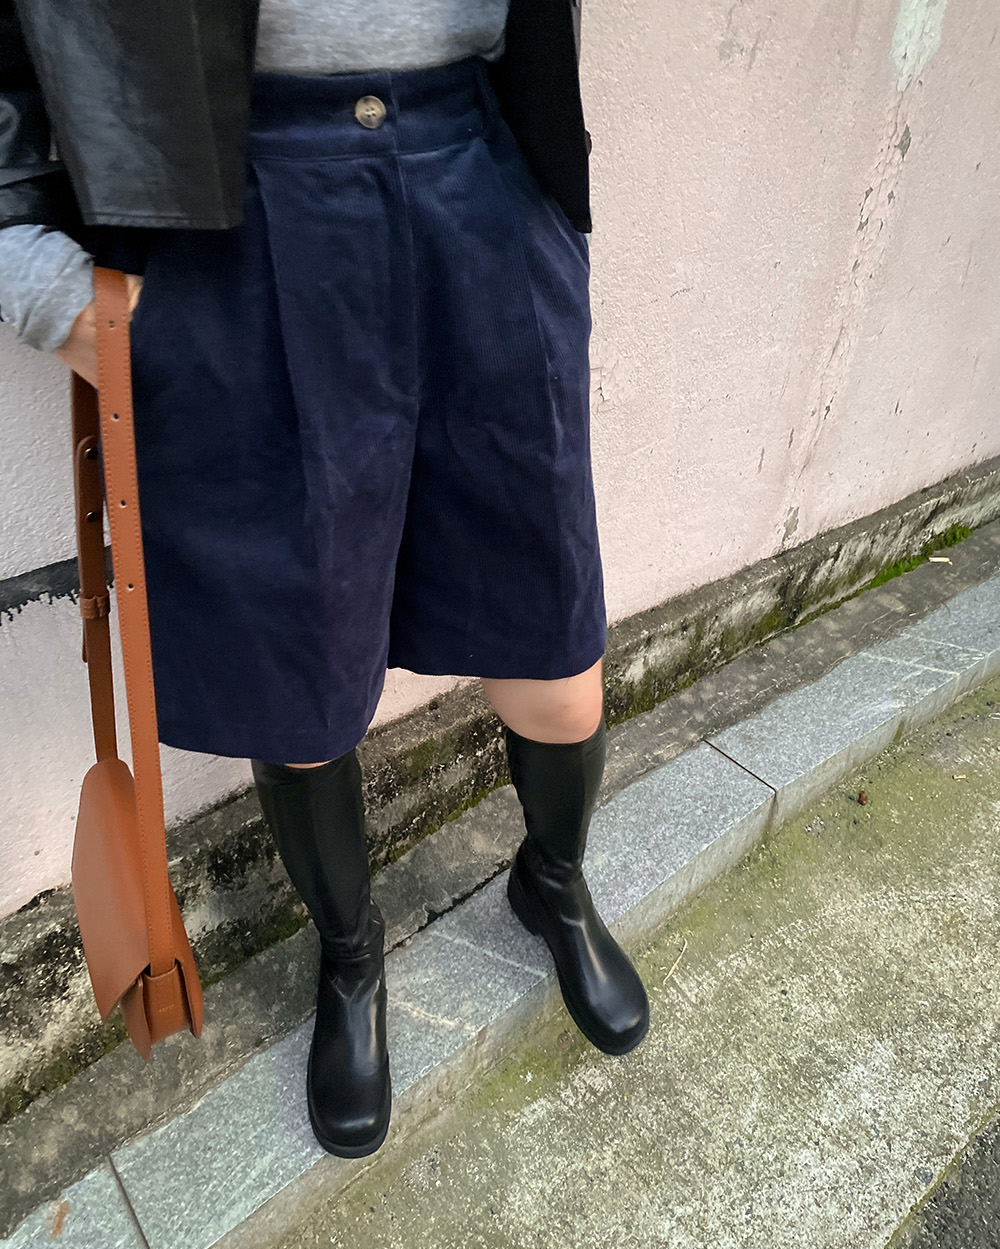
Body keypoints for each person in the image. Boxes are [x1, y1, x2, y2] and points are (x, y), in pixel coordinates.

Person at [0, 0, 650, 1159]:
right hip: (238, 225)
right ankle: (351, 959)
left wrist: (546, 210)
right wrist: (39, 277)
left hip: (480, 185)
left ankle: (553, 880)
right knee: (300, 688)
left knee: (556, 662)